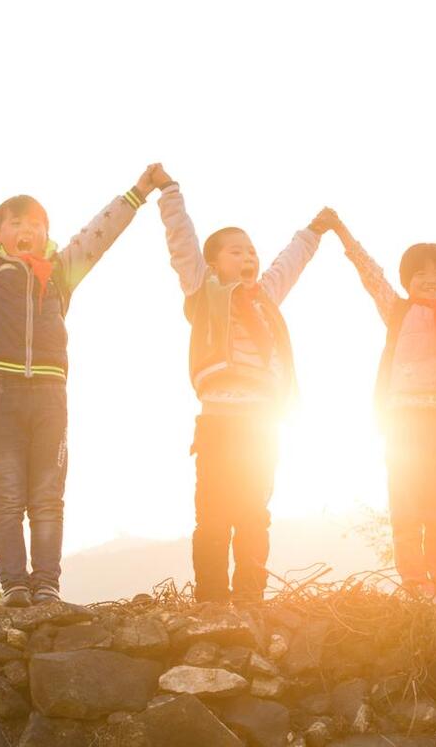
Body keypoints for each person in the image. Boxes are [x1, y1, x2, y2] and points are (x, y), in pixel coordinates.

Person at [0, 136, 164, 606]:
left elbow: (100, 233)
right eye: (16, 223)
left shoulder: (61, 271)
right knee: (6, 494)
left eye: (37, 224)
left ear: (47, 233)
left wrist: (139, 192)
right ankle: (14, 584)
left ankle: (46, 583)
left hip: (49, 395)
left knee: (48, 495)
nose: (27, 230)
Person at [155, 165, 336, 604]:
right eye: (236, 252)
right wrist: (168, 191)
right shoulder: (204, 293)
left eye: (251, 251)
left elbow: (287, 264)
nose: (248, 258)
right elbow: (182, 244)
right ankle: (213, 597)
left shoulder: (265, 298)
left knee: (254, 514)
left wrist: (313, 231)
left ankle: (251, 595)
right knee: (214, 515)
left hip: (261, 425)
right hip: (218, 424)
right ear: (214, 263)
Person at [328, 199, 436, 601]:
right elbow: (370, 273)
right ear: (406, 281)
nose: (431, 279)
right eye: (420, 274)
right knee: (406, 504)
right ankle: (414, 581)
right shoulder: (397, 310)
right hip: (404, 424)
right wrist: (342, 232)